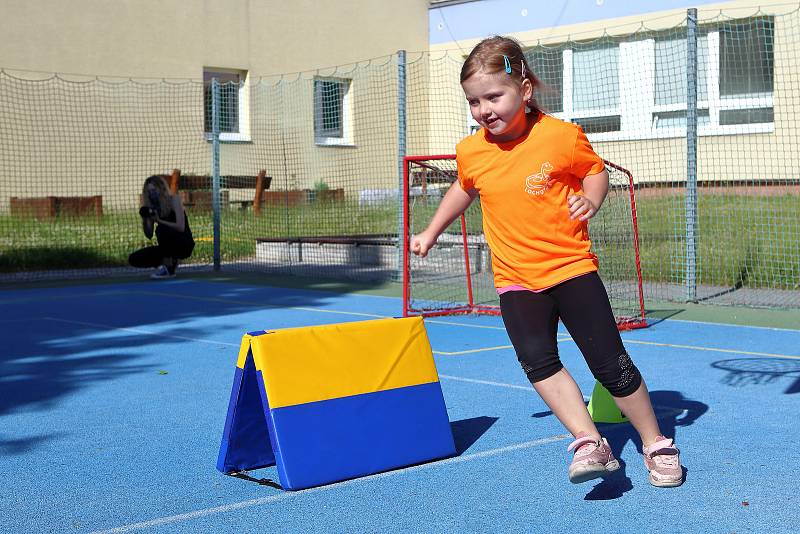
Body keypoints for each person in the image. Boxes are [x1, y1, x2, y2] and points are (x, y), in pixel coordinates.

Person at [411, 36, 683, 488]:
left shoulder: (561, 136)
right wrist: (430, 230)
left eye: (493, 96)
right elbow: (465, 187)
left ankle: (655, 443)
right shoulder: (472, 149)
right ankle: (589, 441)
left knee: (609, 363)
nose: (484, 109)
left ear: (524, 90)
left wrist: (591, 201)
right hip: (515, 279)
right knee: (538, 362)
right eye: (474, 101)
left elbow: (594, 171)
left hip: (571, 269)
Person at [129, 175, 195, 279]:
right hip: (167, 247)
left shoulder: (174, 199)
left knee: (161, 230)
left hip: (184, 244)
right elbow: (149, 234)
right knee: (134, 258)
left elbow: (180, 227)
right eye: (149, 191)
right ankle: (169, 263)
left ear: (161, 188)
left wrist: (159, 221)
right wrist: (146, 219)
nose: (152, 194)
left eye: (154, 190)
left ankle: (169, 267)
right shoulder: (152, 207)